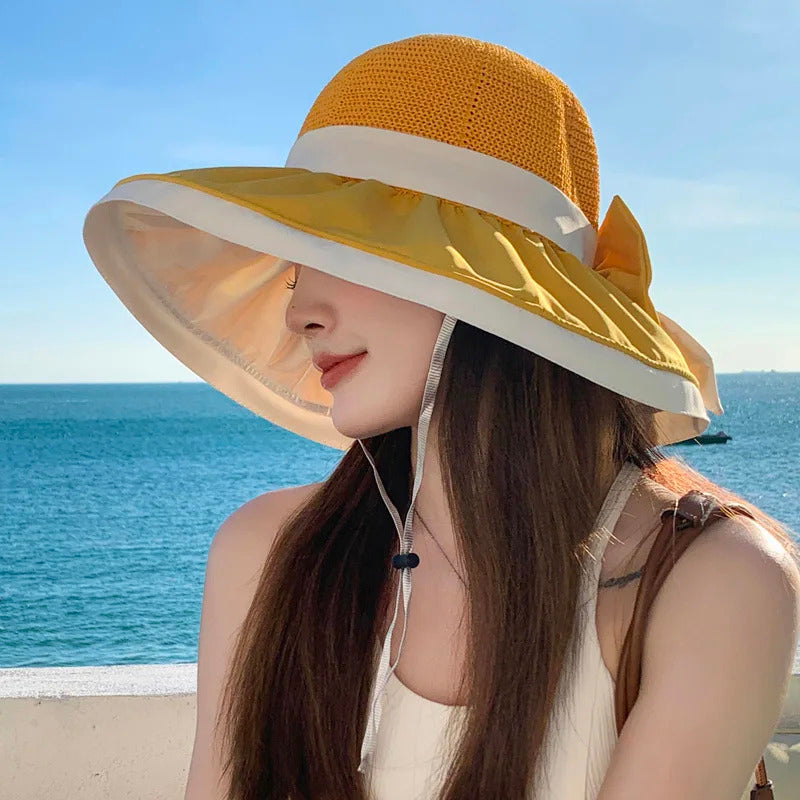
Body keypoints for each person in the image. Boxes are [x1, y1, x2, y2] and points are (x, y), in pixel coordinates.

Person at [82, 33, 800, 800]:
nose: (298, 313)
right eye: (296, 267)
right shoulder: (265, 553)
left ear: (485, 282)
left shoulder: (712, 582)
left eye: (345, 251)